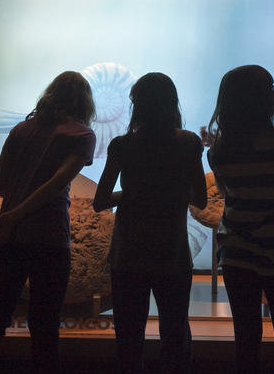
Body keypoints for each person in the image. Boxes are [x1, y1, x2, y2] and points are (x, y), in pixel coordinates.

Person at [0, 71, 97, 373]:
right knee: (45, 325)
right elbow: (58, 183)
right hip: (50, 237)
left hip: (10, 236)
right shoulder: (82, 136)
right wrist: (20, 211)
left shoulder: (20, 130)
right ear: (85, 102)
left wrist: (14, 212)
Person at [93, 72, 206, 374]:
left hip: (129, 251)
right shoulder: (190, 143)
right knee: (175, 333)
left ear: (137, 105)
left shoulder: (121, 146)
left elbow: (100, 200)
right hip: (172, 251)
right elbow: (201, 200)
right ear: (173, 103)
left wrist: (131, 194)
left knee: (129, 338)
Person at [204, 65, 274, 374]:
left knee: (246, 339)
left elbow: (226, 190)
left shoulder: (219, 151)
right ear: (268, 101)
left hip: (236, 253)